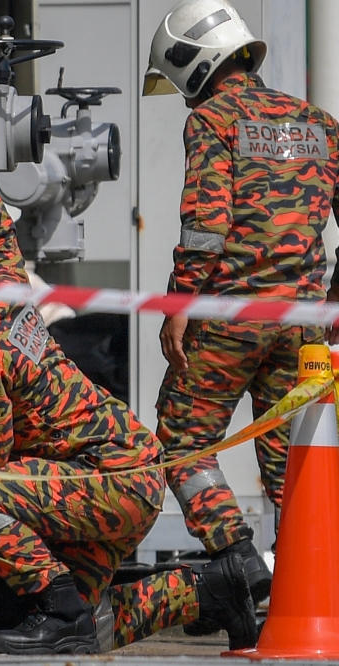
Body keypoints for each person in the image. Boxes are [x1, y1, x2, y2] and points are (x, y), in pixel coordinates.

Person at [0, 122, 258, 654]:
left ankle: (58, 607)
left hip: (107, 478)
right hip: (121, 472)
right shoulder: (3, 293)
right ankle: (212, 591)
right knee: (90, 632)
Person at [143, 0, 339, 623]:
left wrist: (181, 301)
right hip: (303, 322)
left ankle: (241, 562)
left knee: (181, 437)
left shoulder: (211, 118)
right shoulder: (319, 123)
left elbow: (207, 221)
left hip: (228, 314)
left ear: (194, 64)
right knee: (292, 462)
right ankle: (304, 593)